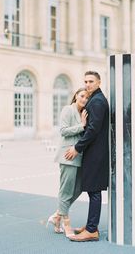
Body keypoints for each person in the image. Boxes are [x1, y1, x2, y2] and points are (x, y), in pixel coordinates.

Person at [65, 71, 109, 242]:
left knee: (94, 190)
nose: (88, 84)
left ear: (99, 82)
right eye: (85, 81)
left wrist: (77, 147)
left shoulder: (97, 101)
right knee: (93, 190)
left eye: (91, 81)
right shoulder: (95, 99)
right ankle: (92, 226)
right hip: (94, 151)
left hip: (96, 152)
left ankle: (91, 230)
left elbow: (93, 129)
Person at [47, 87, 89, 237]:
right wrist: (82, 125)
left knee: (78, 189)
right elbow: (63, 131)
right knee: (66, 191)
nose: (84, 99)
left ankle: (56, 216)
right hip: (67, 156)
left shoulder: (83, 113)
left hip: (78, 157)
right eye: (82, 96)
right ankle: (66, 223)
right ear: (76, 95)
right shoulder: (68, 110)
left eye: (87, 97)